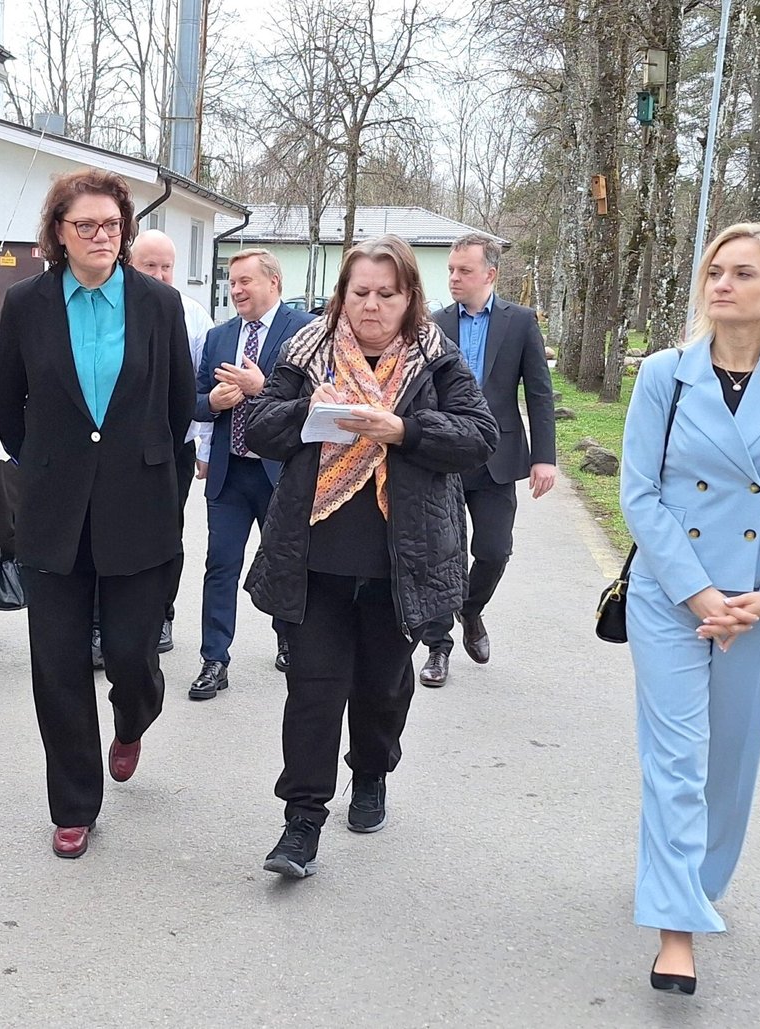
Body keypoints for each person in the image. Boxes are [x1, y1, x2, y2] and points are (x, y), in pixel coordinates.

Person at [620, 222, 760, 994]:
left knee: (731, 759)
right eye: (715, 269)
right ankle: (676, 928)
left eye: (743, 272)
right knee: (677, 757)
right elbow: (639, 493)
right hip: (672, 592)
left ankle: (697, 878)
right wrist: (700, 593)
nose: (722, 283)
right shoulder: (666, 374)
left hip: (759, 596)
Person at [242, 234, 497, 878]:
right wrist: (307, 410)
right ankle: (301, 823)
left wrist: (405, 430)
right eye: (360, 293)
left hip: (400, 563)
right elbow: (260, 427)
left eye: (387, 294)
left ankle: (372, 772)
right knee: (312, 692)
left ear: (410, 298)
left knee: (382, 690)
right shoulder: (307, 352)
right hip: (315, 560)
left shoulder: (435, 360)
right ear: (342, 296)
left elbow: (480, 437)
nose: (372, 306)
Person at [0, 168, 195, 859]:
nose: (102, 236)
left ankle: (133, 719)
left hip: (140, 506)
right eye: (86, 225)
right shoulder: (27, 303)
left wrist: (145, 467)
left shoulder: (159, 304)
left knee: (132, 655)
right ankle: (74, 804)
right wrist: (48, 462)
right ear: (59, 232)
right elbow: (3, 400)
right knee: (58, 664)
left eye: (112, 224)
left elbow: (178, 405)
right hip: (53, 512)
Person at [417, 233, 557, 686]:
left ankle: (471, 609)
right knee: (441, 555)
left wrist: (544, 457)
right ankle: (437, 648)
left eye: (464, 270)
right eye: (451, 270)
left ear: (490, 274)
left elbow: (539, 393)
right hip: (444, 455)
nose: (454, 278)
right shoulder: (434, 324)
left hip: (497, 457)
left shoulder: (520, 322)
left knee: (494, 551)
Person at [188, 248, 314, 700]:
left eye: (246, 281)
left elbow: (321, 396)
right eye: (232, 282)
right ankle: (214, 659)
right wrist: (211, 403)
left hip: (282, 473)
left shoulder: (304, 330)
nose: (236, 290)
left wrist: (262, 389)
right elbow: (191, 399)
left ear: (273, 282)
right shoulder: (219, 337)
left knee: (286, 562)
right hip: (230, 473)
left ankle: (289, 640)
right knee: (220, 565)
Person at [129, 229, 213, 653]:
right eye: (150, 265)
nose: (160, 275)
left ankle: (161, 614)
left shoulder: (192, 316)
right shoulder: (115, 310)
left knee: (166, 536)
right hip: (117, 448)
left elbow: (205, 386)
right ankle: (103, 623)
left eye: (167, 267)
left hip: (173, 448)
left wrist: (205, 448)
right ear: (130, 264)